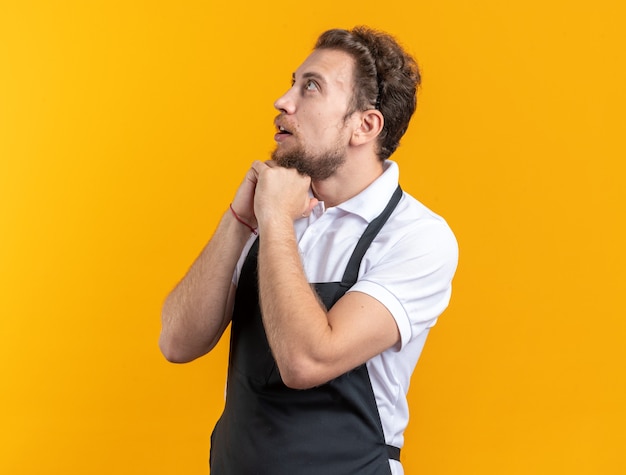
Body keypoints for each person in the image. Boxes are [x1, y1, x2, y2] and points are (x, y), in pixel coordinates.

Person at [159, 26, 458, 475]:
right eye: (292, 82)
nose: (283, 101)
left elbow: (307, 361)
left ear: (365, 125)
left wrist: (275, 219)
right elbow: (177, 342)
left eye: (310, 87)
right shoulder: (272, 211)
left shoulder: (416, 237)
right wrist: (240, 219)